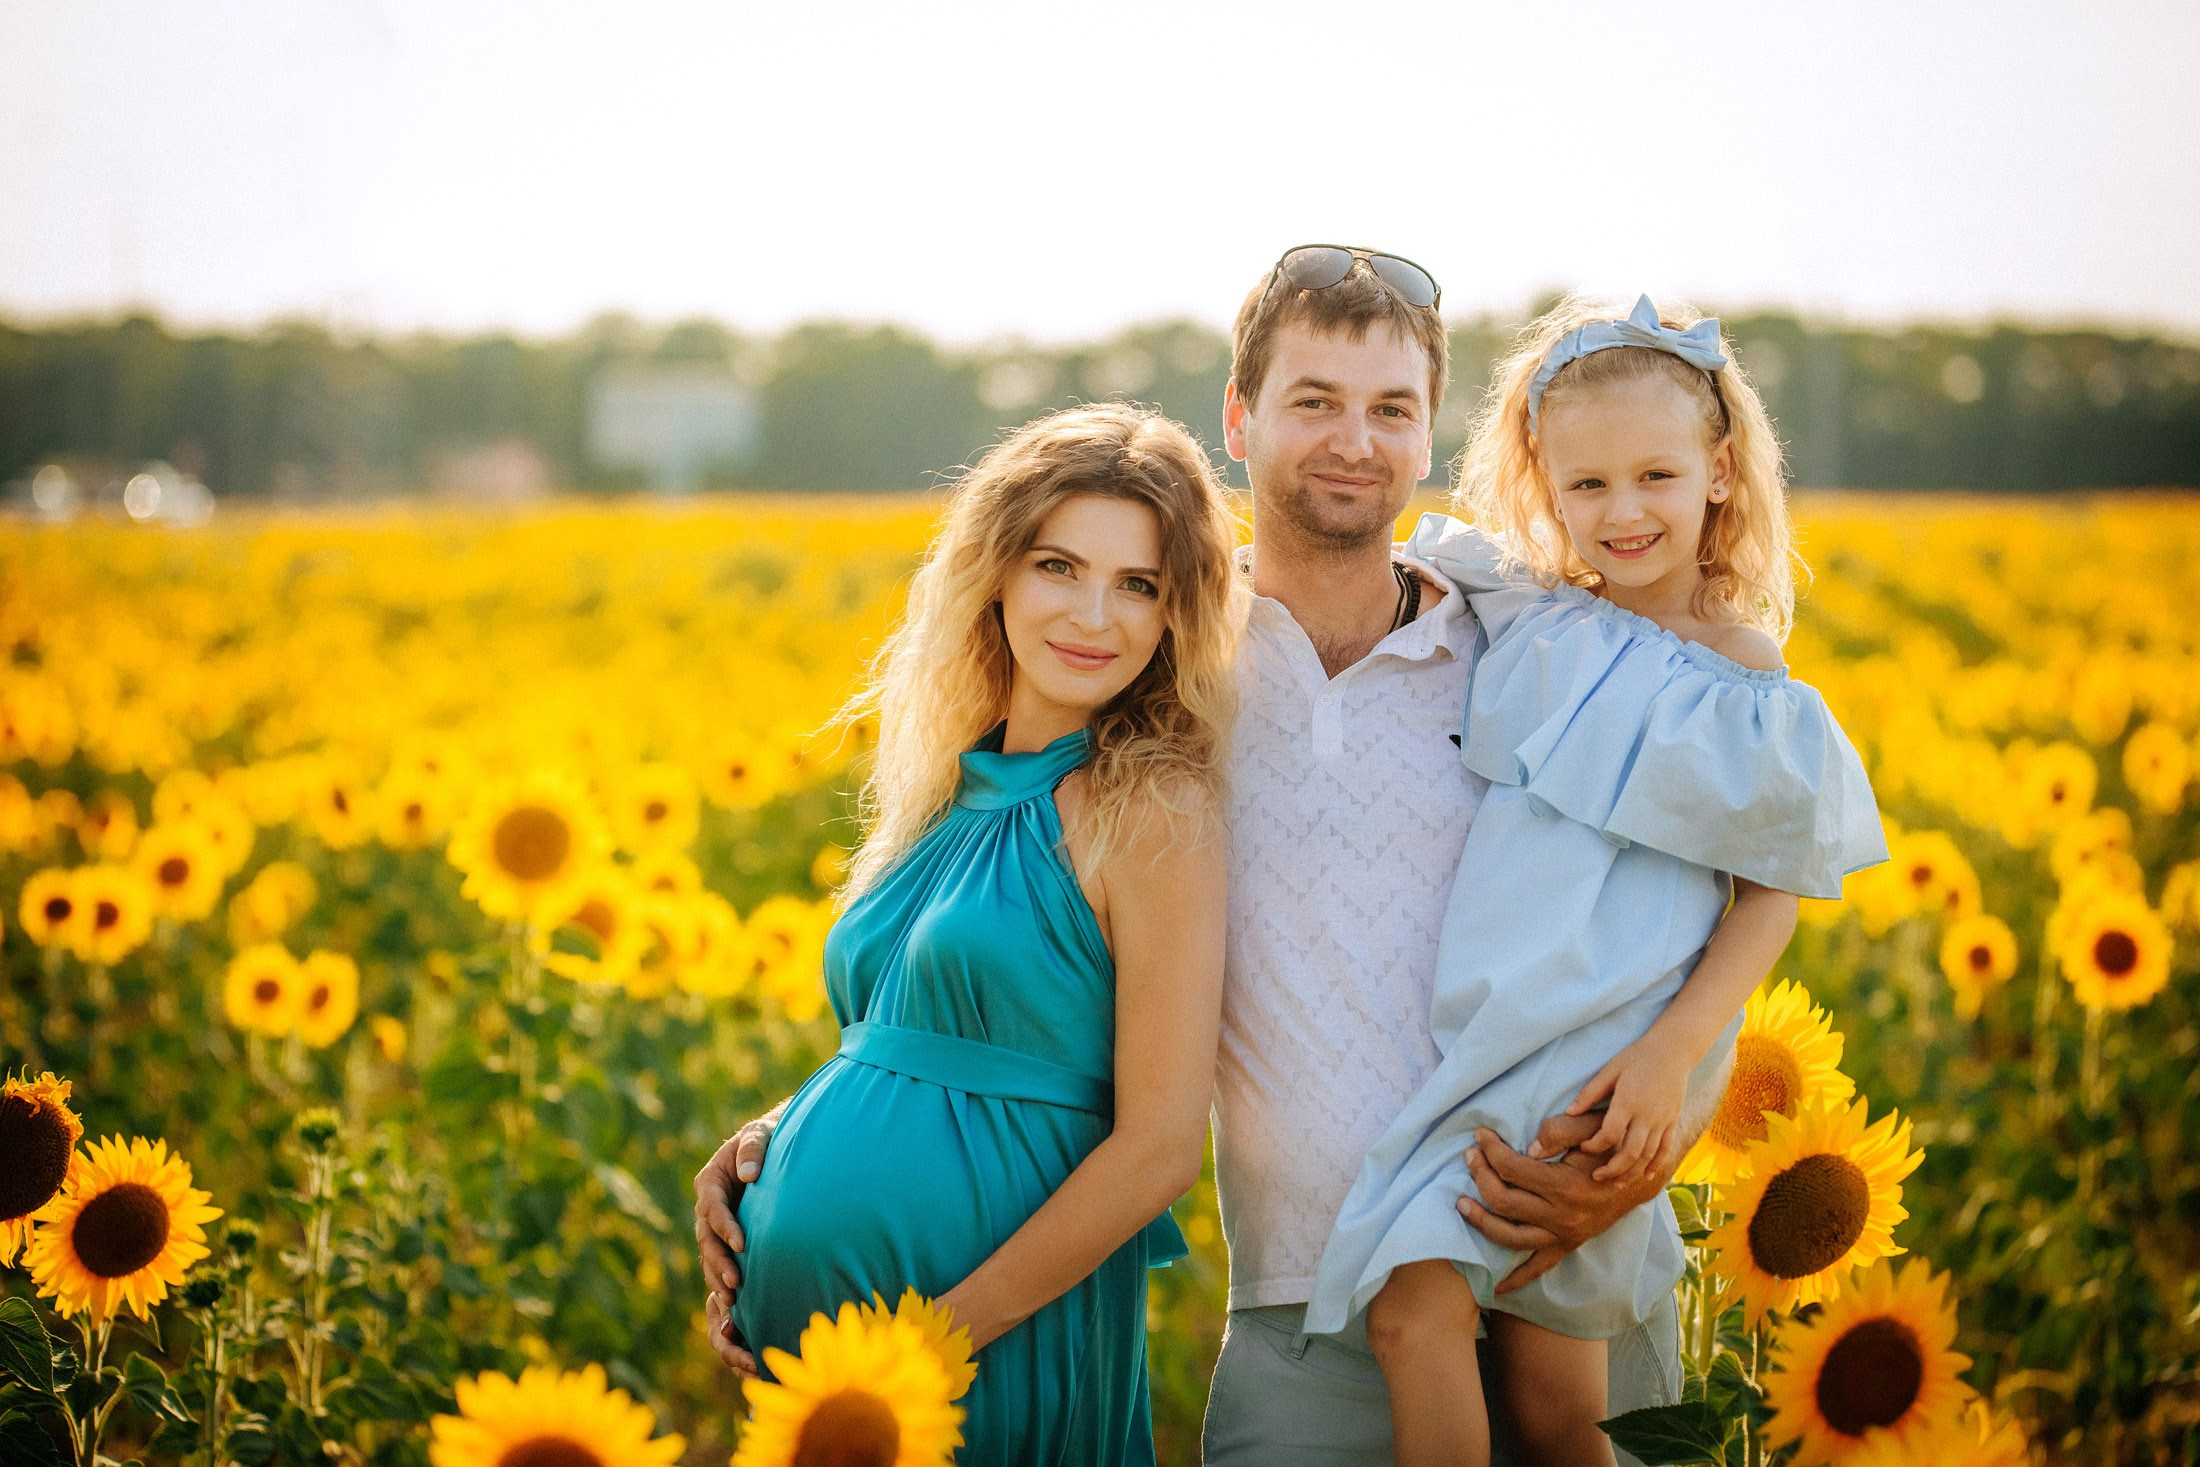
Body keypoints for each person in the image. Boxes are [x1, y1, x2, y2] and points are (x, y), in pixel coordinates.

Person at [699, 248, 1734, 1465]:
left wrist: (1656, 1124)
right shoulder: (1160, 670)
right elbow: (1041, 971)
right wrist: (796, 1126)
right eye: (1313, 402)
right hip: (1307, 1301)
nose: (1354, 440)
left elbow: (1708, 881)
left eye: (1390, 409)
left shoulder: (1535, 643)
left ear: (1425, 437)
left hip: (1560, 1260)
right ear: (1238, 418)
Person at [1300, 294, 1888, 1466]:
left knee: (1555, 1405)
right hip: (1480, 1043)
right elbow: (1377, 555)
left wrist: (1674, 1057)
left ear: (1719, 473)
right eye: (1586, 487)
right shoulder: (1534, 616)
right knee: (1421, 1317)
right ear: (1542, 486)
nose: (1622, 513)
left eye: (1655, 477)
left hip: (1605, 1064)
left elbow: (1774, 886)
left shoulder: (1742, 674)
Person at [707, 402, 1244, 1465]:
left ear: (1176, 614)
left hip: (989, 1337)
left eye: (1138, 584)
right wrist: (766, 1143)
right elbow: (903, 1045)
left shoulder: (1152, 812)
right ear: (995, 573)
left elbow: (1159, 1150)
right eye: (1058, 566)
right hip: (829, 1365)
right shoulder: (950, 792)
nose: (1095, 614)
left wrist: (937, 1341)